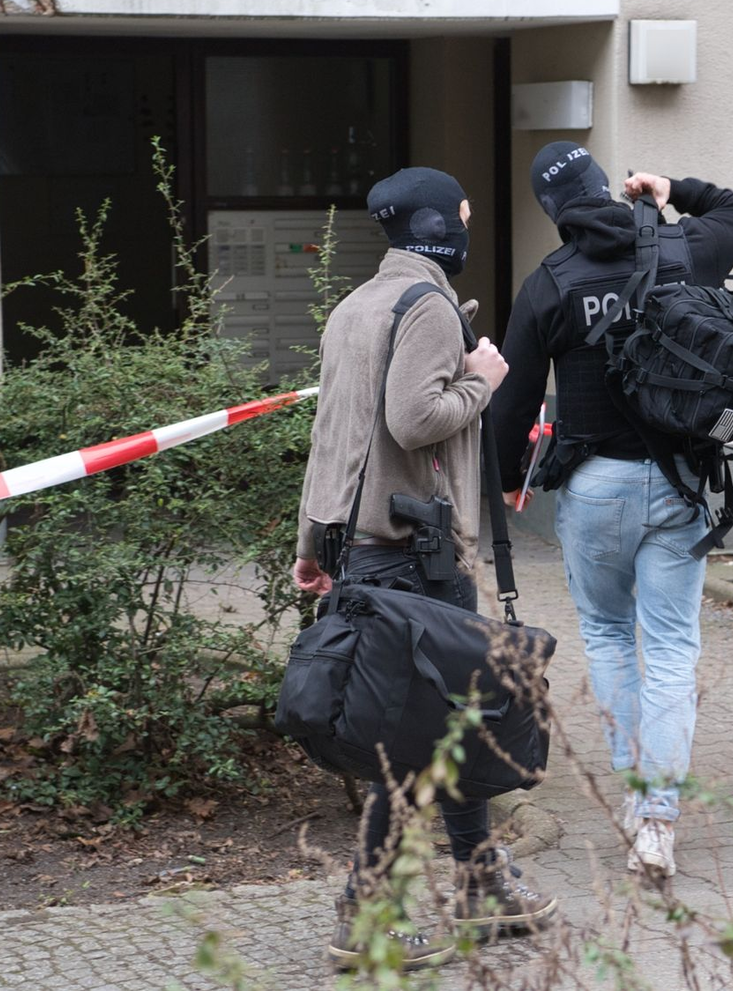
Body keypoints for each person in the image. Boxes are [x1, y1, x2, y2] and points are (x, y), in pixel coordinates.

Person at [292, 167, 557, 969]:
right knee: (412, 741)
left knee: (456, 719)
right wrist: (483, 378)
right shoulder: (429, 305)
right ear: (442, 222)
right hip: (418, 561)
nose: (473, 221)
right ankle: (367, 913)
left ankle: (483, 884)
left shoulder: (356, 305)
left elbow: (332, 433)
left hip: (362, 551)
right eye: (467, 212)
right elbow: (415, 418)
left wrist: (310, 545)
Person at [491, 142, 733, 876]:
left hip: (595, 488)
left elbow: (511, 404)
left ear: (552, 213)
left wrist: (506, 482)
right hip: (679, 483)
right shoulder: (681, 245)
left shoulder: (548, 283)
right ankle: (658, 820)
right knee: (672, 648)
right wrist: (676, 186)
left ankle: (637, 795)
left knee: (609, 637)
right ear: (606, 186)